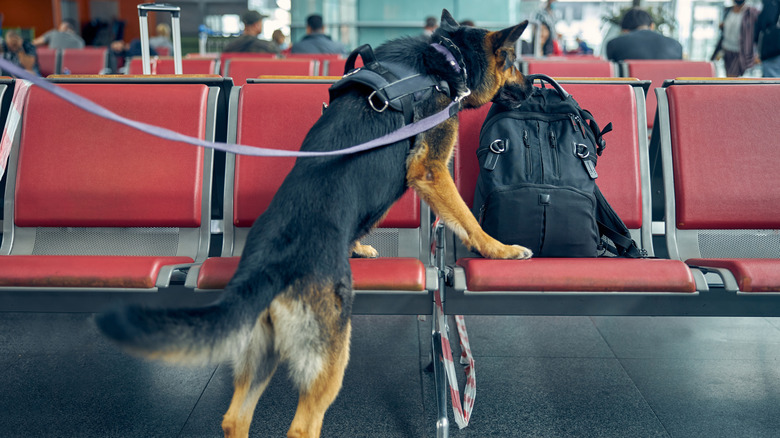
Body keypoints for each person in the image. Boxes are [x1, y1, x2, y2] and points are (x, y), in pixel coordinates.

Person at [606, 8, 683, 62]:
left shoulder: (614, 44)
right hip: (664, 85)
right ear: (652, 26)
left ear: (624, 30)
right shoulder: (676, 45)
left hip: (632, 85)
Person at [713, 0, 760, 77]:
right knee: (729, 75)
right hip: (726, 49)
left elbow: (755, 33)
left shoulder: (750, 12)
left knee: (732, 76)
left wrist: (756, 53)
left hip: (740, 51)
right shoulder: (728, 10)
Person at [755, 0, 780, 77]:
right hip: (772, 49)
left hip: (772, 50)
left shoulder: (770, 3)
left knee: (772, 78)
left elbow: (765, 21)